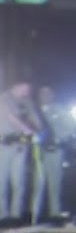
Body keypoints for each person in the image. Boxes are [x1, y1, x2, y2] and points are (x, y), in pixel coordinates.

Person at [0, 82, 41, 224]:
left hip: (21, 146)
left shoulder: (27, 102)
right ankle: (2, 215)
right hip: (4, 145)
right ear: (16, 85)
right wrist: (26, 129)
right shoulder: (3, 99)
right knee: (2, 182)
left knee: (19, 182)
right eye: (25, 88)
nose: (27, 91)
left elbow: (36, 122)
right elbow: (11, 117)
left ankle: (16, 215)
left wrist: (33, 128)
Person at [31, 86, 69, 222]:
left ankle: (55, 212)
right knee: (38, 183)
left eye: (48, 93)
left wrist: (58, 139)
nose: (45, 96)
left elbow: (68, 128)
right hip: (39, 151)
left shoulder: (59, 110)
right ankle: (35, 214)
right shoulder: (33, 111)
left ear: (53, 95)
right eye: (42, 93)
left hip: (56, 150)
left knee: (55, 182)